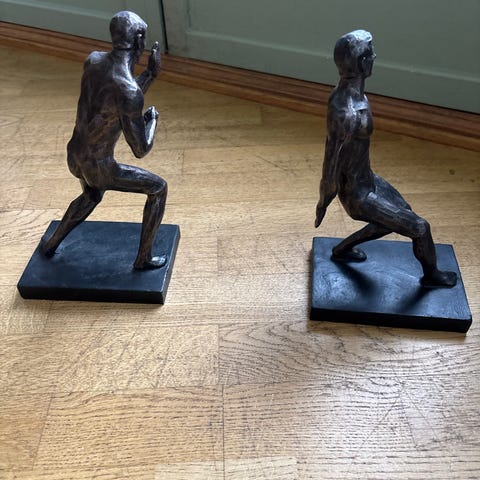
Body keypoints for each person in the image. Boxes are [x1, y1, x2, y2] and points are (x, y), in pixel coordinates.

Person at [315, 30, 456, 287]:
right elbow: (331, 157)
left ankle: (342, 249)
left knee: (402, 214)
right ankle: (433, 276)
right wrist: (324, 200)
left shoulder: (352, 95)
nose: (374, 57)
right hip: (358, 195)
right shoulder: (347, 111)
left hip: (368, 180)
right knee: (420, 227)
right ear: (360, 63)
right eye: (370, 54)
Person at [40, 11, 168, 269]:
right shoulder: (128, 91)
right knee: (158, 189)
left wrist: (149, 74)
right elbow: (141, 149)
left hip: (75, 156)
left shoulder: (93, 60)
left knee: (91, 195)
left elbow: (118, 99)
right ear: (139, 40)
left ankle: (51, 243)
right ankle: (143, 259)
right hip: (99, 166)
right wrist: (151, 121)